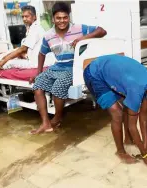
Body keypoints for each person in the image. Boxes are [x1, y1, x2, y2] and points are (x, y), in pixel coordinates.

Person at [83, 54, 147, 164]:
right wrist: (145, 154)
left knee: (127, 106)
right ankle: (120, 152)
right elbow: (132, 126)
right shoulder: (137, 89)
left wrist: (145, 145)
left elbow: (143, 116)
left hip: (108, 70)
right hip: (94, 74)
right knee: (117, 113)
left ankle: (128, 140)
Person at [29, 2, 107, 134]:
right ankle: (45, 123)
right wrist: (38, 72)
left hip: (74, 68)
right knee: (37, 86)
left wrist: (83, 38)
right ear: (53, 19)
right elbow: (41, 53)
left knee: (57, 88)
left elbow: (102, 31)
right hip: (57, 67)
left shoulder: (78, 28)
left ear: (69, 17)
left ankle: (57, 118)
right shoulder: (48, 36)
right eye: (58, 18)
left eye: (65, 17)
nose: (62, 21)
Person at [0, 5, 45, 73]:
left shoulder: (35, 30)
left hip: (35, 62)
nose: (24, 19)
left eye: (27, 16)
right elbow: (24, 49)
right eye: (23, 17)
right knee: (14, 51)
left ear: (34, 17)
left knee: (10, 62)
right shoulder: (32, 28)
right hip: (33, 57)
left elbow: (23, 49)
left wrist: (3, 62)